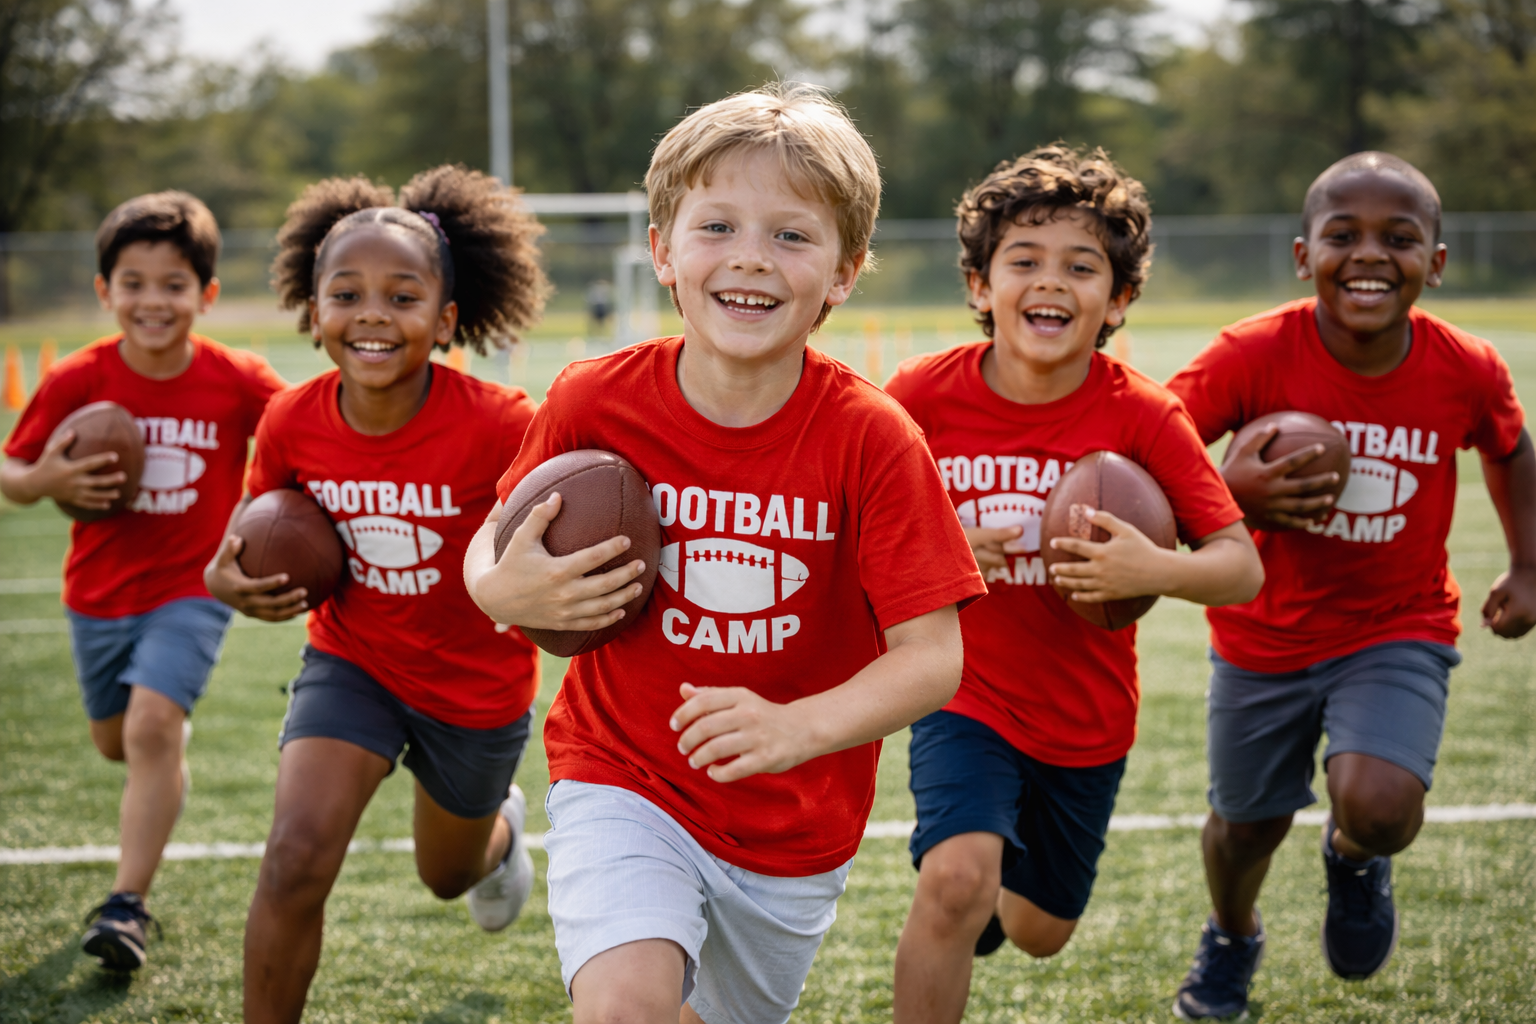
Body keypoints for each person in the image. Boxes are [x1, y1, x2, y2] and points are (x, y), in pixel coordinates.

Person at [463, 84, 987, 1024]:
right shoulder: (593, 401)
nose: (750, 256)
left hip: (791, 829)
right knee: (625, 1009)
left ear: (844, 272)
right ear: (662, 250)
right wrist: (501, 586)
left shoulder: (873, 438)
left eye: (791, 235)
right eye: (717, 226)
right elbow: (491, 542)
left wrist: (799, 727)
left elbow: (932, 657)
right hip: (622, 774)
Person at [882, 145, 1264, 1024]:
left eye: (1081, 267)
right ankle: (970, 888)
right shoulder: (919, 398)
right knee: (954, 879)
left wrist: (1154, 569)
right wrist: (937, 554)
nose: (1050, 281)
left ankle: (993, 895)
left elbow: (1240, 566)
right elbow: (857, 535)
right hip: (961, 692)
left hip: (1083, 716)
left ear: (1118, 300)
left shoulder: (1143, 413)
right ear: (980, 286)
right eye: (1024, 260)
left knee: (1041, 931)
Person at [1164, 151, 1534, 1020]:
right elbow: (1157, 446)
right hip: (1261, 632)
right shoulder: (1250, 354)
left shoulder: (1466, 366)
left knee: (1381, 807)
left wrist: (1529, 565)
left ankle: (1355, 858)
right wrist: (1232, 495)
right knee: (1247, 825)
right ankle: (1233, 934)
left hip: (1396, 624)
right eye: (1344, 236)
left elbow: (1510, 448)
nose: (1370, 254)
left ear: (1435, 263)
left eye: (1399, 239)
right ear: (1304, 257)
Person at [202, 166, 549, 1024]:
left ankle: (502, 835)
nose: (371, 315)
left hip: (474, 686)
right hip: (353, 662)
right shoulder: (291, 419)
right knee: (294, 857)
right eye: (346, 293)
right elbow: (255, 529)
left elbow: (555, 536)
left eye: (402, 296)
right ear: (312, 309)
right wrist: (224, 576)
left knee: (447, 875)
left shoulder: (503, 424)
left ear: (446, 320)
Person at [0, 191, 285, 971]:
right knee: (116, 741)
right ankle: (159, 753)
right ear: (105, 290)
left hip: (194, 589)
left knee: (152, 726)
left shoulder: (237, 379)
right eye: (133, 283)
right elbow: (12, 469)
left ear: (207, 294)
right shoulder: (78, 378)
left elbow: (307, 427)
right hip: (98, 593)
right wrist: (43, 479)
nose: (153, 301)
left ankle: (127, 904)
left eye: (173, 285)